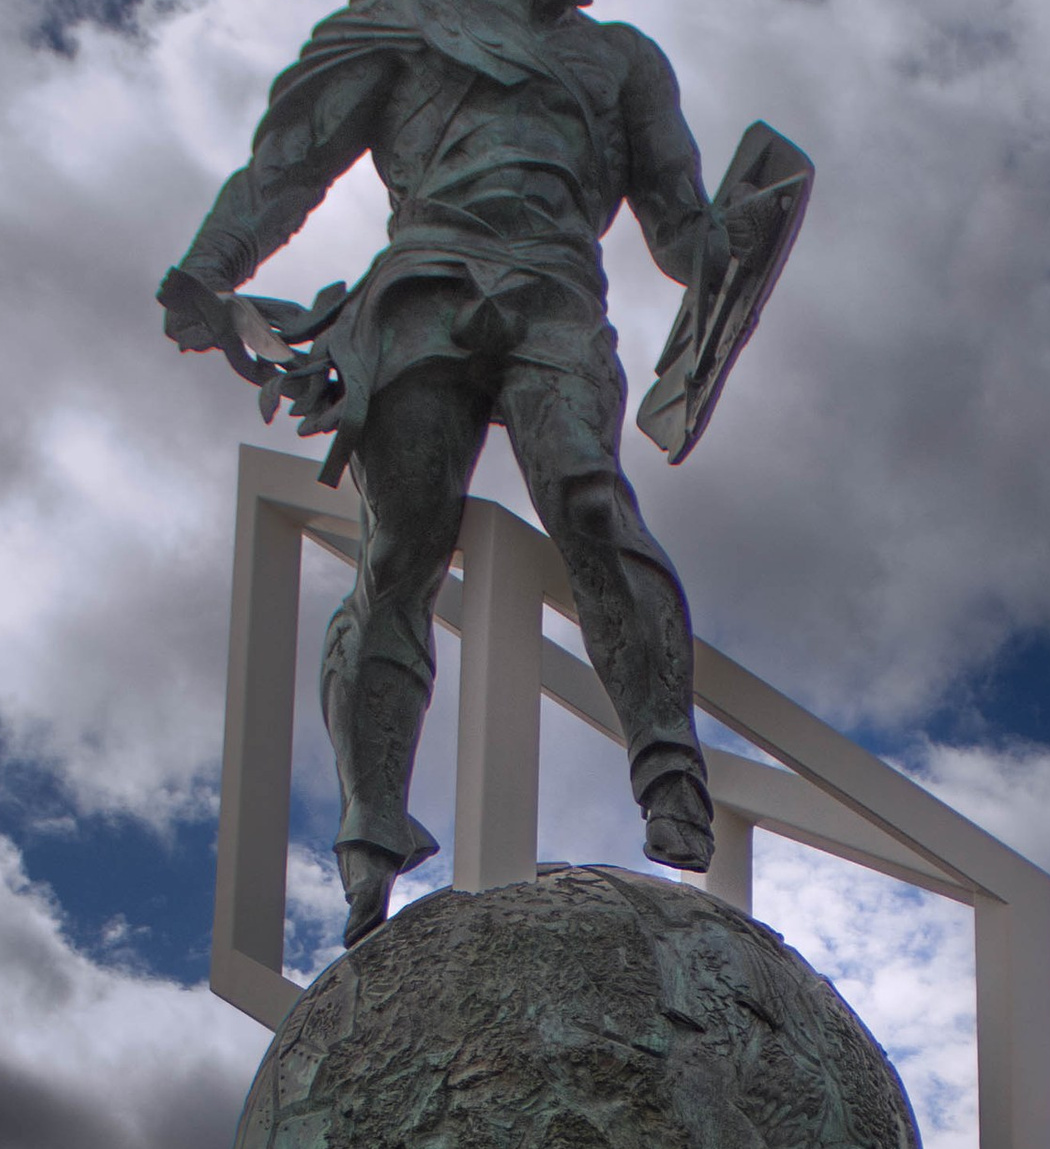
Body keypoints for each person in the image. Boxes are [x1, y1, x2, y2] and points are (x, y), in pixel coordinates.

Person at [161, 0, 776, 947]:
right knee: (401, 549)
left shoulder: (621, 60)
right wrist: (212, 264)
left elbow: (678, 225)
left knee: (587, 494)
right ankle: (371, 830)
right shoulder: (403, 23)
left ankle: (667, 766)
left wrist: (732, 246)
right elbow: (293, 159)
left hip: (555, 297)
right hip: (421, 291)